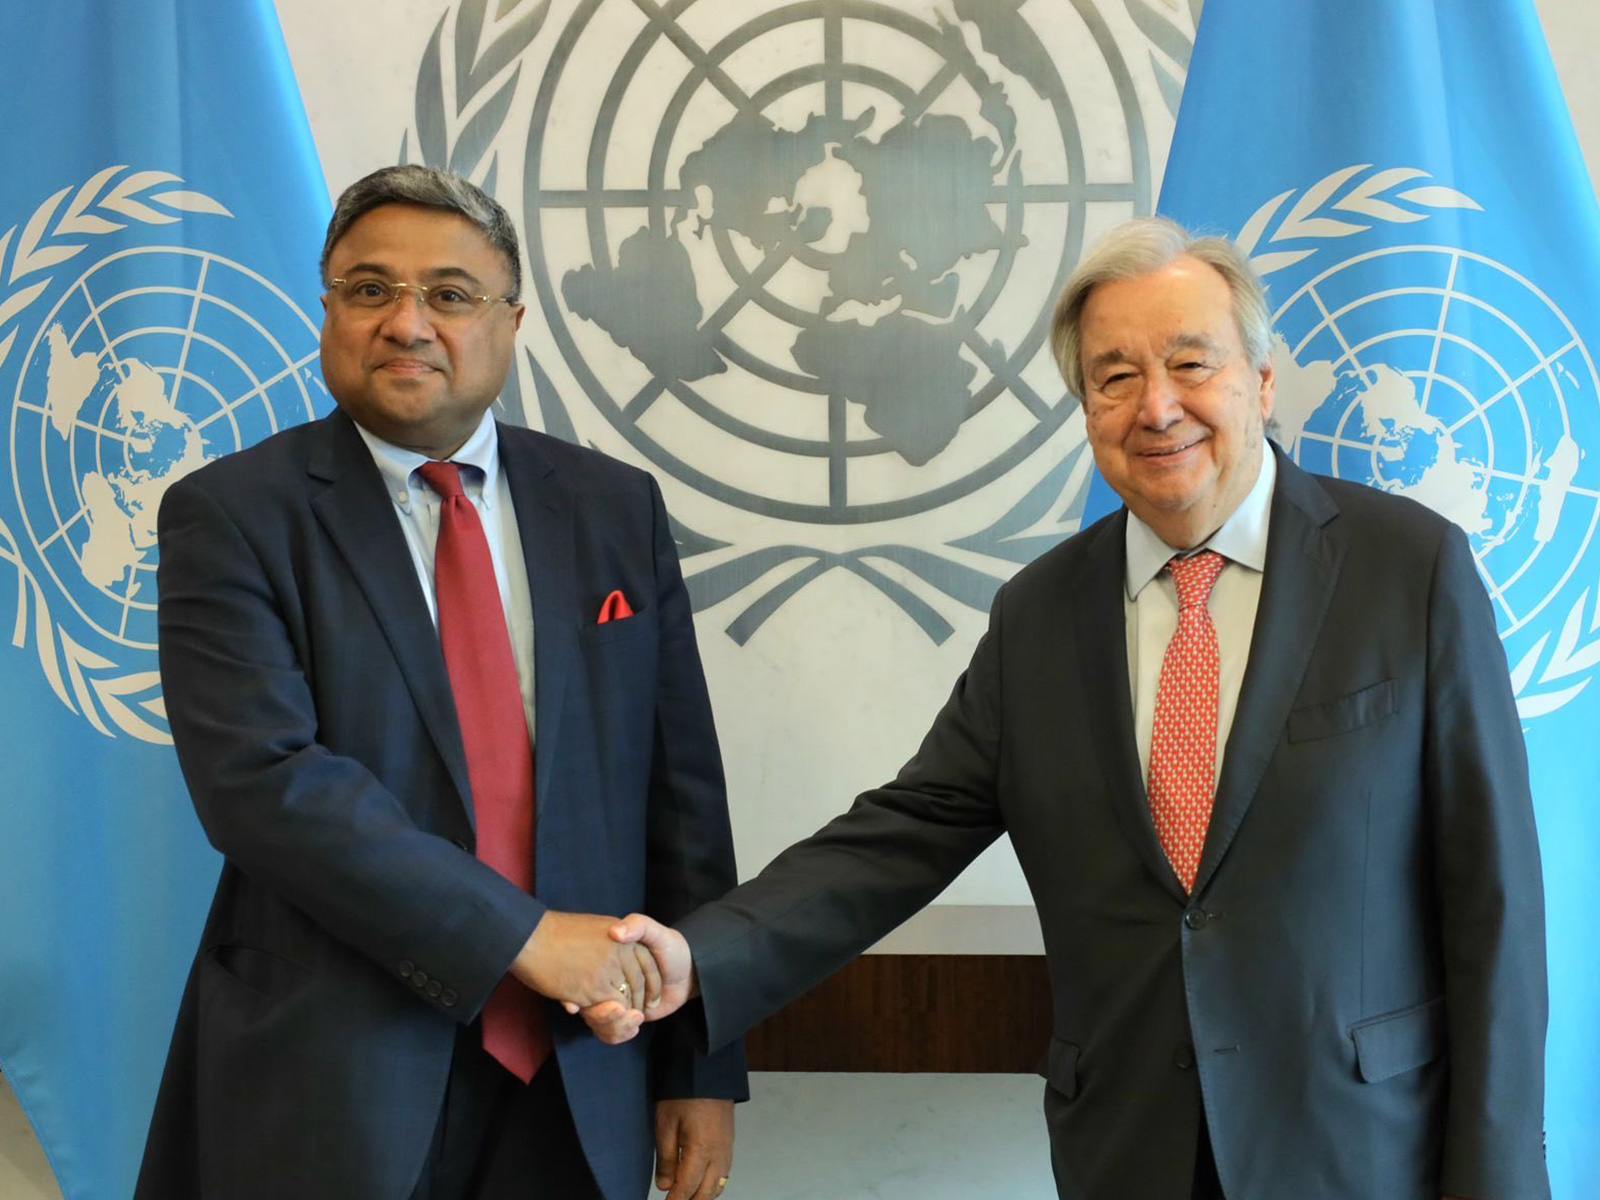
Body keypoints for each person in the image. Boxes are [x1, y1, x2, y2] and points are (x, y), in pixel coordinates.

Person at [587, 217, 1550, 1200]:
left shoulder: (1408, 570)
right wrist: (696, 954)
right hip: (1130, 1150)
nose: (1156, 406)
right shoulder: (1040, 614)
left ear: (1260, 383)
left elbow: (1490, 901)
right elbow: (899, 837)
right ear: (1085, 406)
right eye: (1114, 376)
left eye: (1189, 363)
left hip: (1362, 1150)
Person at [135, 165, 745, 1200]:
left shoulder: (610, 509)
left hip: (584, 1071)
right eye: (369, 290)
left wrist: (699, 1064)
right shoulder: (232, 515)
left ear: (511, 322)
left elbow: (679, 802)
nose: (406, 323)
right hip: (335, 1075)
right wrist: (524, 940)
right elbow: (264, 787)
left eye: (450, 295)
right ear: (327, 312)